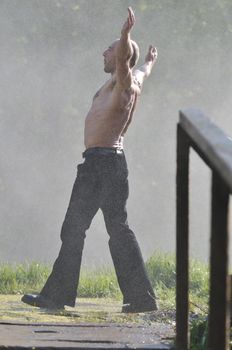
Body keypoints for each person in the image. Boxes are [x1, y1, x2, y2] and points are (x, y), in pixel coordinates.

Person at [22, 7, 158, 313]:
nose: (104, 53)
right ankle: (141, 299)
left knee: (74, 227)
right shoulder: (132, 79)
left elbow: (126, 62)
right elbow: (141, 70)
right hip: (110, 164)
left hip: (101, 164)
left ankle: (56, 298)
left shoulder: (121, 84)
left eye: (109, 50)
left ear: (122, 55)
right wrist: (149, 63)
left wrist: (124, 35)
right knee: (117, 228)